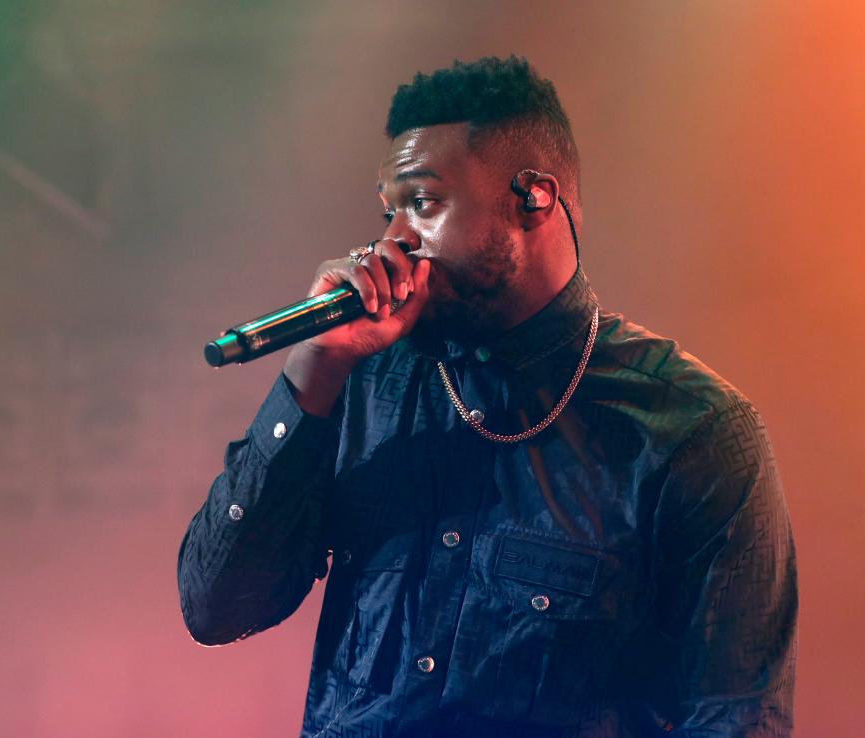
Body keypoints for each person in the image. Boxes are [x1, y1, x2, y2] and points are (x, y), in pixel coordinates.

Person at [177, 56, 797, 737]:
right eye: (389, 213)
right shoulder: (362, 383)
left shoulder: (689, 429)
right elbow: (217, 610)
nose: (393, 242)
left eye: (423, 204)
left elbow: (736, 717)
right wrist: (314, 368)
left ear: (533, 197)